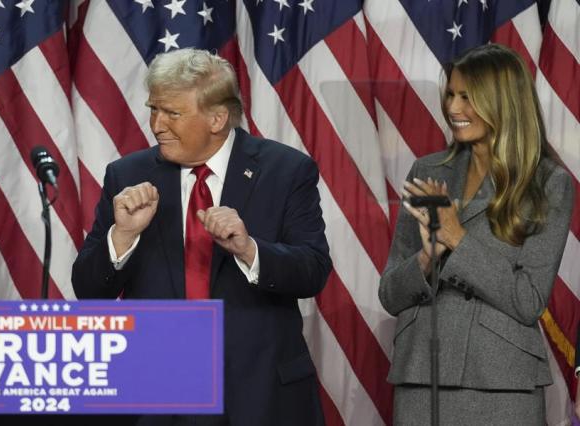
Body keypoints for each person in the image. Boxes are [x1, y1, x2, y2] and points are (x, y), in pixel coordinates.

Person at [72, 48, 331, 426]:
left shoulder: (286, 170)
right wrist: (123, 236)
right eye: (154, 109)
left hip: (258, 394)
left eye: (172, 113)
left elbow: (313, 270)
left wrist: (249, 250)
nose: (157, 124)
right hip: (159, 396)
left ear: (217, 118)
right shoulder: (127, 175)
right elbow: (89, 289)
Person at [379, 43, 574, 425]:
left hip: (501, 382)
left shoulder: (550, 183)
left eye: (467, 97)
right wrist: (426, 257)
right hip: (423, 377)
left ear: (503, 100)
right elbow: (389, 293)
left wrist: (457, 238)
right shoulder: (427, 169)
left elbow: (527, 299)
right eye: (451, 95)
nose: (453, 109)